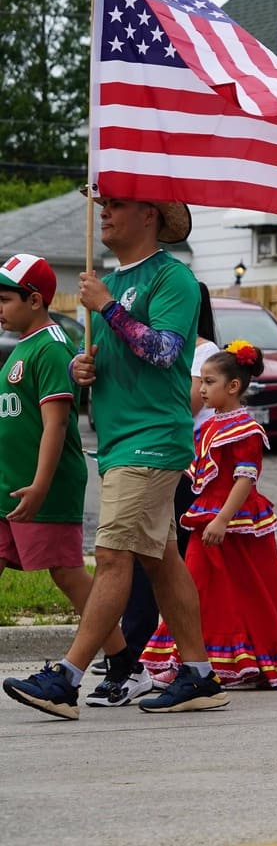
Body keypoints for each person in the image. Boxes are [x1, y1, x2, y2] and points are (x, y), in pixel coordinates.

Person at [4, 197, 227, 718]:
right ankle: (198, 675)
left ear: (150, 216)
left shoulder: (173, 279)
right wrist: (87, 370)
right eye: (103, 207)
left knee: (110, 556)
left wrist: (107, 307)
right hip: (120, 441)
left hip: (153, 438)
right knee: (162, 561)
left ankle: (67, 678)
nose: (103, 215)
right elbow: (122, 361)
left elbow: (168, 351)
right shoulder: (105, 284)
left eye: (117, 207)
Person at [140, 342, 277, 688]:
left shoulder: (245, 429)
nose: (201, 389)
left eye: (208, 382)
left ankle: (212, 660)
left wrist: (222, 519)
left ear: (233, 386)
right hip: (208, 515)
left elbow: (245, 479)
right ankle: (196, 657)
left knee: (241, 589)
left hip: (234, 521)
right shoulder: (210, 426)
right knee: (204, 586)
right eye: (201, 382)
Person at [0, 254, 132, 709]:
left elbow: (56, 425)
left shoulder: (51, 347)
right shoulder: (22, 343)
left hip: (44, 486)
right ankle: (122, 661)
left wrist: (39, 486)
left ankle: (122, 662)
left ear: (35, 300)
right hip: (8, 485)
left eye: (5, 298)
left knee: (68, 573)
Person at [104, 280, 217, 707]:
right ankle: (165, 661)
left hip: (177, 462)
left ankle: (106, 660)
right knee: (156, 559)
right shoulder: (138, 339)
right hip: (134, 446)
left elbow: (187, 400)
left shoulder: (201, 351)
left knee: (128, 555)